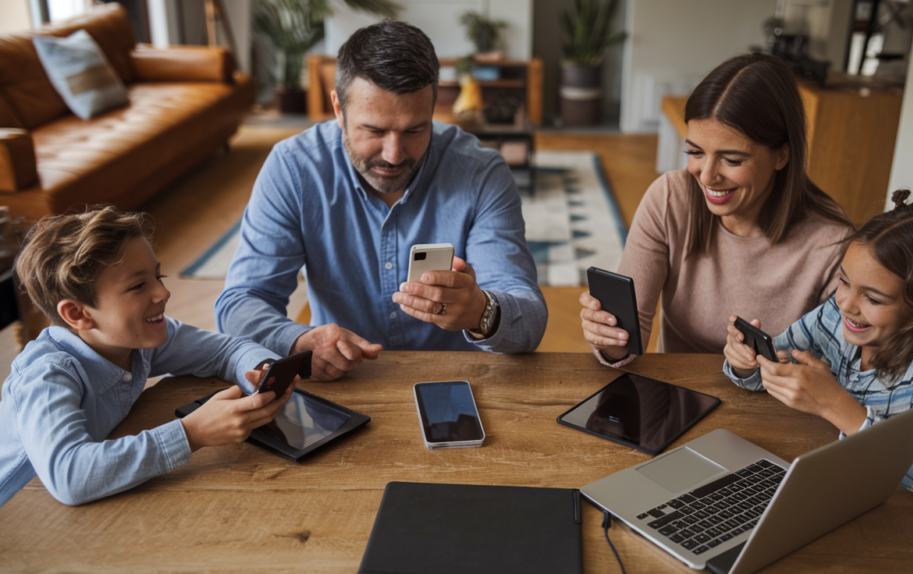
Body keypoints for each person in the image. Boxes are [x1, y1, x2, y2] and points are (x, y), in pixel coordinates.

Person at [215, 20, 546, 381]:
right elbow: (240, 303)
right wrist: (298, 341)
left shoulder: (481, 172)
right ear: (338, 109)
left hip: (459, 383)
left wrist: (483, 312)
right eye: (373, 131)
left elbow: (529, 317)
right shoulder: (293, 169)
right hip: (345, 387)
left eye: (415, 130)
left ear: (434, 110)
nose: (393, 154)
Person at [0, 207, 296, 507]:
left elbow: (227, 350)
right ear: (78, 313)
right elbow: (70, 476)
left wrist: (261, 368)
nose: (163, 292)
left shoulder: (135, 338)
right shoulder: (46, 375)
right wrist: (192, 433)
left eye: (159, 275)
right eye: (138, 286)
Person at [579, 53, 852, 367]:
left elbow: (836, 373)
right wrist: (609, 337)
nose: (706, 176)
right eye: (695, 152)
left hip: (772, 406)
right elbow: (627, 343)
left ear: (782, 155)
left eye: (732, 159)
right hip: (677, 396)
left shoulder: (833, 244)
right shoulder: (670, 199)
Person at [723, 190, 913, 498]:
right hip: (854, 490)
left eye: (873, 298)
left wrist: (833, 403)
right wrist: (747, 364)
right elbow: (777, 364)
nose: (847, 304)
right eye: (844, 281)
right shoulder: (836, 317)